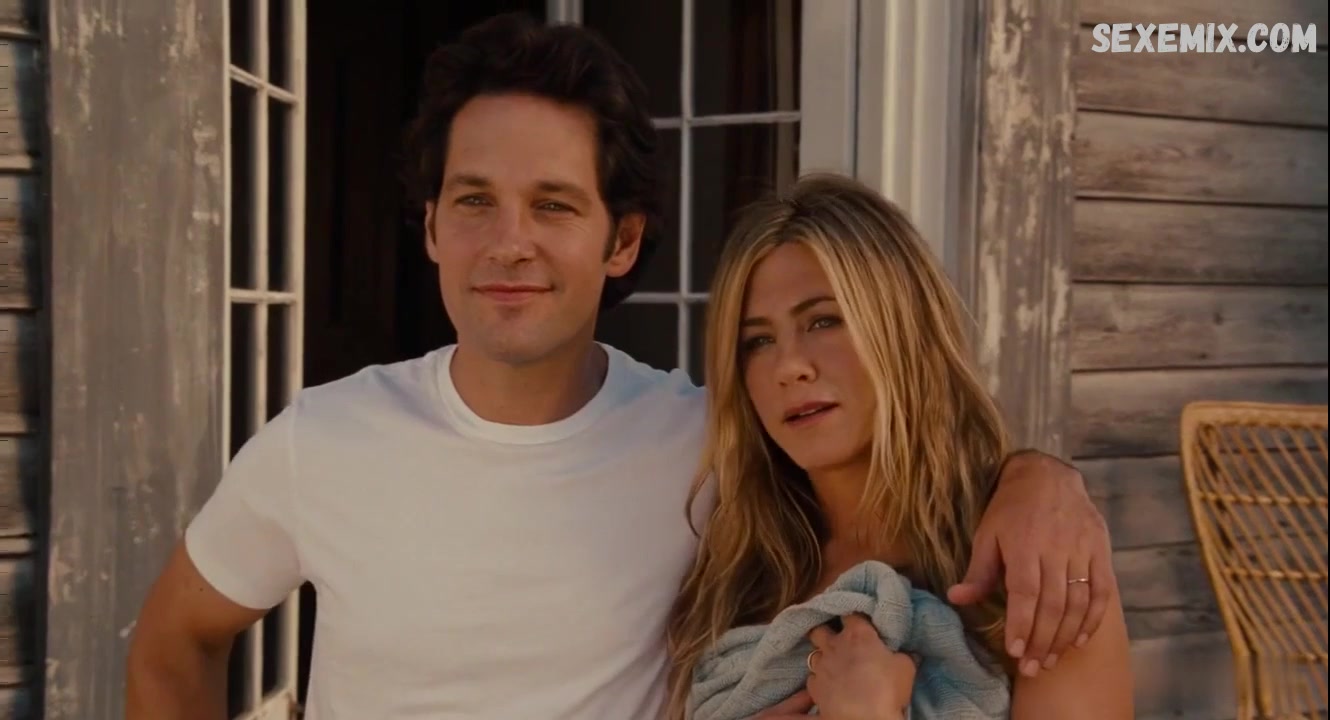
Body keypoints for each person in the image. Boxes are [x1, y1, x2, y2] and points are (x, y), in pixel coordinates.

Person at [125, 12, 1117, 720]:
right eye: (473, 201)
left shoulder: (705, 446)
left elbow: (914, 478)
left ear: (623, 240)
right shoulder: (323, 439)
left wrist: (1042, 479)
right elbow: (174, 644)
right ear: (429, 228)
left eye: (553, 205)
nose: (509, 242)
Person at [666, 174, 1133, 719]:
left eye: (823, 320)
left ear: (904, 328)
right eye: (758, 341)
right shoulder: (734, 567)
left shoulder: (1034, 565)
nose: (789, 366)